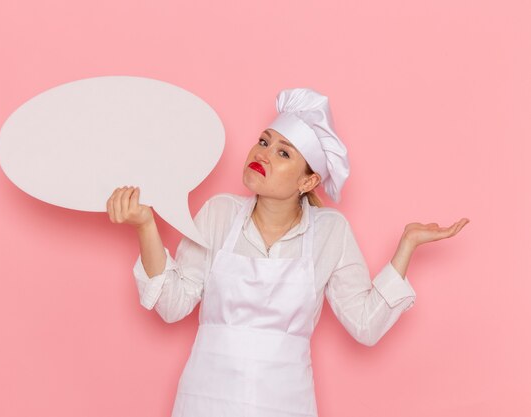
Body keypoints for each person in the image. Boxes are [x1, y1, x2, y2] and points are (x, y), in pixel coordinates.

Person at [107, 88, 469, 417]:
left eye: (282, 152)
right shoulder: (219, 213)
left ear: (307, 181)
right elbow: (173, 306)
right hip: (206, 400)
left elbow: (365, 325)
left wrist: (406, 247)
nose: (262, 154)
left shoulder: (330, 231)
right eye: (263, 141)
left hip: (284, 404)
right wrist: (145, 226)